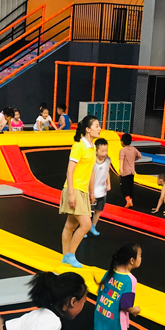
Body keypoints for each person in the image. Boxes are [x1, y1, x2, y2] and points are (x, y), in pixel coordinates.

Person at [93, 243, 142, 330]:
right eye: (140, 256)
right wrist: (134, 310)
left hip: (104, 313)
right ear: (132, 260)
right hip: (117, 321)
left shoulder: (110, 271)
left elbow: (100, 292)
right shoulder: (130, 280)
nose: (141, 258)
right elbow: (126, 305)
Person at [59, 115, 101, 268]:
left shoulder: (93, 147)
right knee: (86, 225)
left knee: (70, 225)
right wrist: (71, 194)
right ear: (88, 129)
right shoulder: (79, 146)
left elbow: (90, 172)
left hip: (83, 190)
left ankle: (65, 257)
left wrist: (91, 192)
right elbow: (69, 171)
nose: (100, 128)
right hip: (74, 188)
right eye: (97, 126)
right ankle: (70, 255)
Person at [89, 137, 111, 236]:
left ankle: (93, 226)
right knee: (87, 212)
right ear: (96, 150)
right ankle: (84, 227)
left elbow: (107, 172)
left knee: (98, 210)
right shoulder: (92, 161)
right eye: (102, 151)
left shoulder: (108, 160)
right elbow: (89, 176)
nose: (104, 153)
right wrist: (91, 192)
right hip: (91, 191)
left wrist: (108, 183)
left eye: (106, 151)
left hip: (102, 191)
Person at [118, 133, 140, 209]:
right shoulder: (134, 149)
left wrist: (121, 169)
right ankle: (131, 200)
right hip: (132, 171)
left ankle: (128, 200)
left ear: (122, 142)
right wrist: (133, 160)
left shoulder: (122, 150)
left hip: (125, 171)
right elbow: (139, 155)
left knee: (124, 186)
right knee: (130, 186)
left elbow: (122, 159)